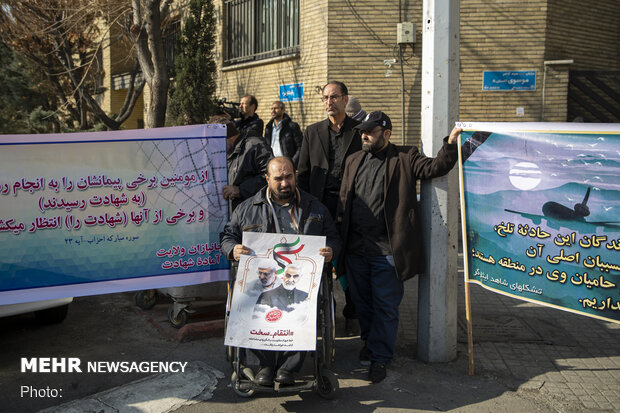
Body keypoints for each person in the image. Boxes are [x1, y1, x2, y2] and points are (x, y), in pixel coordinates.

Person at [338, 110, 461, 383]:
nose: (364, 135)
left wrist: (450, 144)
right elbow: (344, 200)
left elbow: (435, 168)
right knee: (363, 304)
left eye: (369, 131)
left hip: (387, 252)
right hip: (356, 250)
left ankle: (380, 357)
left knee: (385, 307)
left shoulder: (405, 157)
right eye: (362, 131)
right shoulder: (353, 160)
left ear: (387, 133)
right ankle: (371, 346)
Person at [220, 156, 340, 386]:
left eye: (289, 177)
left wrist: (331, 250)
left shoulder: (315, 207)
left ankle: (288, 368)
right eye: (278, 178)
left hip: (299, 279)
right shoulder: (247, 208)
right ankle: (265, 366)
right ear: (267, 179)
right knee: (254, 303)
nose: (284, 183)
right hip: (263, 279)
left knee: (305, 307)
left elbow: (334, 237)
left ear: (295, 176)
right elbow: (228, 236)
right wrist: (232, 249)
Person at [297, 81, 361, 335]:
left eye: (334, 97)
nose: (329, 102)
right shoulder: (312, 132)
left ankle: (353, 310)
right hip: (319, 207)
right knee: (319, 261)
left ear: (345, 100)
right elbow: (303, 171)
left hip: (353, 207)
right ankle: (324, 311)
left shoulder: (359, 132)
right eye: (325, 98)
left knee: (349, 260)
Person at [210, 116, 272, 212]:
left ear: (228, 137)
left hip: (253, 215)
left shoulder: (254, 147)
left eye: (217, 142)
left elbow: (272, 176)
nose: (217, 147)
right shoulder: (228, 151)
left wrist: (240, 190)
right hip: (235, 215)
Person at [263, 101, 303, 167]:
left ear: (283, 110)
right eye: (271, 108)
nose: (273, 111)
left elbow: (300, 147)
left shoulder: (292, 126)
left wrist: (292, 163)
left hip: (287, 164)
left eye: (276, 108)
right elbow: (266, 147)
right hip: (273, 164)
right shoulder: (268, 128)